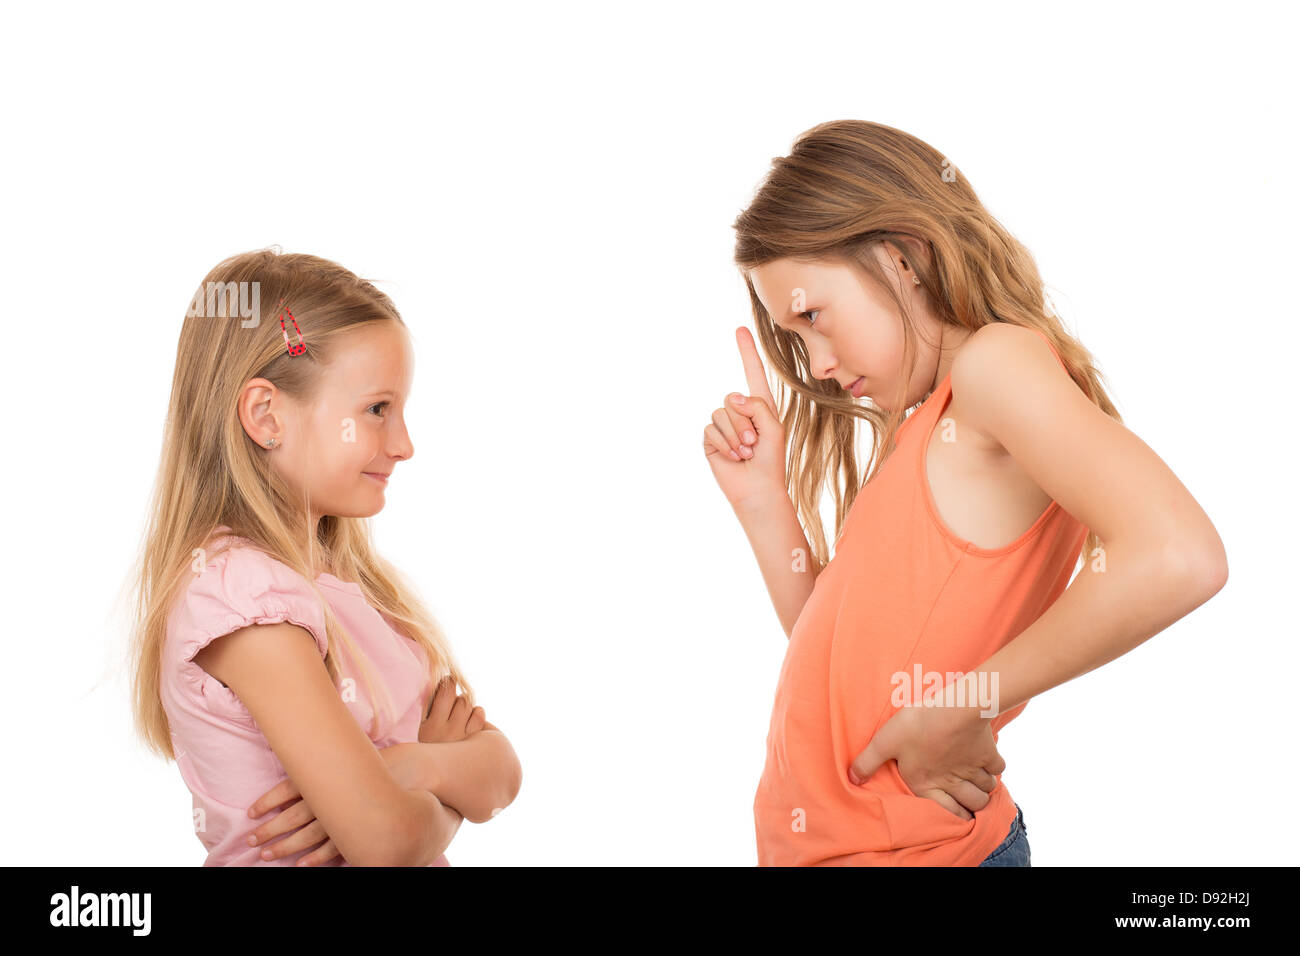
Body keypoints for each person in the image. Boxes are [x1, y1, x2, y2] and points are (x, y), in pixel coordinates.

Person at [704, 120, 1227, 865]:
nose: (815, 363)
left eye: (812, 316)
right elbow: (843, 663)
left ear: (904, 258)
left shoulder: (994, 368)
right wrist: (763, 500)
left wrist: (961, 705)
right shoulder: (932, 423)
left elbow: (1180, 556)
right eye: (793, 339)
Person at [126, 248, 521, 865]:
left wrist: (410, 765)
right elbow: (386, 843)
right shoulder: (242, 599)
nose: (405, 444)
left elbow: (502, 774)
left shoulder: (351, 586)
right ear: (266, 415)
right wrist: (443, 783)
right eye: (376, 410)